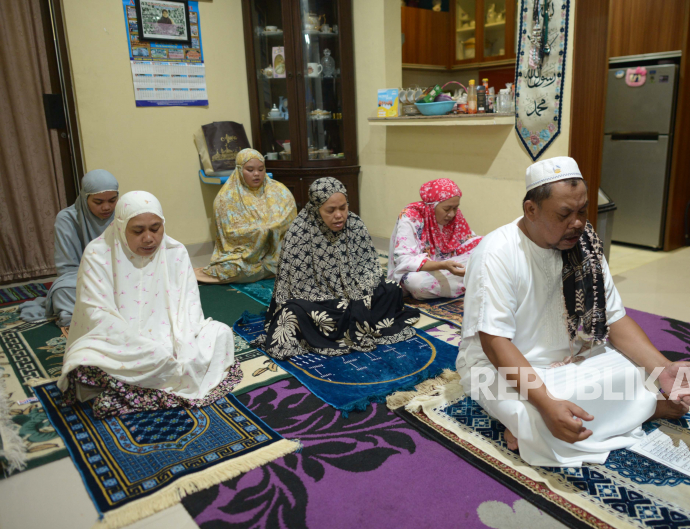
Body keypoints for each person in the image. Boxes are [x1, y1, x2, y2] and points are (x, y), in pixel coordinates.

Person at [457, 157, 690, 467]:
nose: (578, 223)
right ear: (531, 210)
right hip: (501, 366)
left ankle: (531, 430)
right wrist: (546, 403)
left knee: (639, 372)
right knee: (542, 410)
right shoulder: (496, 253)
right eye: (565, 214)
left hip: (578, 357)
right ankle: (637, 409)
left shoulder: (585, 245)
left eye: (582, 211)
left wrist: (663, 369)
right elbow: (495, 344)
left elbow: (614, 318)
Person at [58, 191, 241, 419]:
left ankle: (131, 392)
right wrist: (142, 346)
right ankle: (152, 387)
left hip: (170, 339)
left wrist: (181, 346)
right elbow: (97, 315)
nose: (148, 238)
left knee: (221, 333)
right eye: (137, 231)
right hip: (119, 345)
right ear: (120, 227)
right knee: (85, 359)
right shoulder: (98, 255)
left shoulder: (175, 252)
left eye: (155, 228)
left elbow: (190, 307)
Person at [253, 178, 420, 360]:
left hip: (355, 290)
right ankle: (349, 318)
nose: (339, 215)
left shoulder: (355, 224)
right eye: (330, 210)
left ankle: (349, 316)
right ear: (316, 209)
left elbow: (369, 268)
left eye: (343, 207)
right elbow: (298, 287)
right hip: (319, 299)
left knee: (391, 289)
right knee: (292, 313)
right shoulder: (299, 232)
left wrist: (357, 294)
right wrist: (337, 300)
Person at [19, 170, 119, 327]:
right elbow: (67, 269)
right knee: (63, 289)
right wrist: (98, 280)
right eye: (98, 202)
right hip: (86, 280)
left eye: (112, 200)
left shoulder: (123, 215)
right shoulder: (67, 219)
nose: (107, 207)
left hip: (121, 276)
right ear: (85, 198)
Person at [195, 149, 297, 284]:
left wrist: (272, 229)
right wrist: (261, 232)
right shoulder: (226, 197)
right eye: (250, 170)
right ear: (239, 170)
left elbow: (290, 219)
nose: (257, 174)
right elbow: (229, 233)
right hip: (244, 256)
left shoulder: (279, 190)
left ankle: (266, 270)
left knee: (303, 255)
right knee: (228, 269)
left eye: (261, 169)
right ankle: (267, 271)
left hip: (277, 251)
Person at [388, 179, 482, 299]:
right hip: (424, 271)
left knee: (486, 251)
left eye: (455, 208)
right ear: (432, 206)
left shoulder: (455, 215)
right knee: (415, 283)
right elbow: (404, 260)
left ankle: (469, 280)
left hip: (450, 265)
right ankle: (476, 280)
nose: (452, 214)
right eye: (447, 209)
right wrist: (442, 265)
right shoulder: (410, 216)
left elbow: (468, 242)